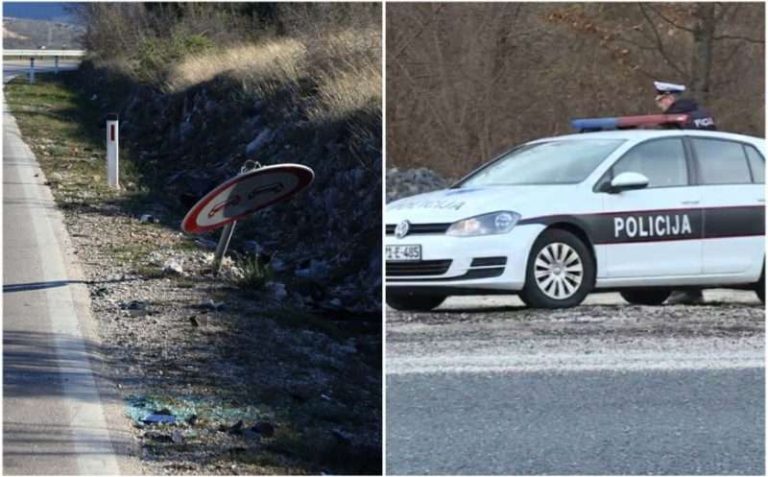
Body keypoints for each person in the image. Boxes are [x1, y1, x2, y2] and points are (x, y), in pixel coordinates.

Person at [654, 81, 713, 305]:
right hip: (707, 184)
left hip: (679, 186)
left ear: (668, 97)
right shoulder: (701, 115)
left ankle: (686, 289)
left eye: (660, 100)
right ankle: (690, 289)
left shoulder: (674, 120)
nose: (660, 105)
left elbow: (664, 153)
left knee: (677, 240)